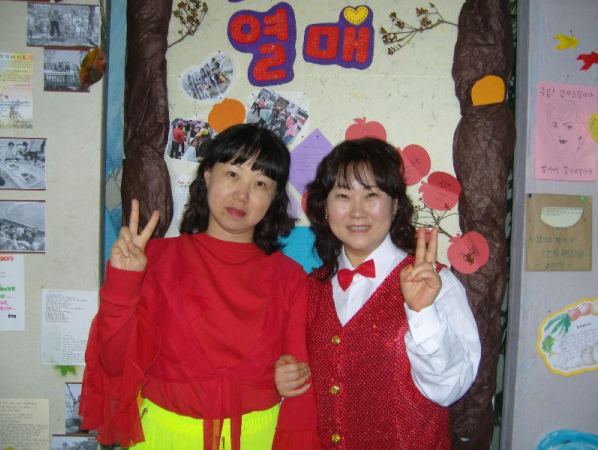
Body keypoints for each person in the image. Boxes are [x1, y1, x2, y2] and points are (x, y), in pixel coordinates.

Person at [80, 124, 319, 449]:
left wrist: (291, 374)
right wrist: (123, 282)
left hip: (260, 437)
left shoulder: (291, 278)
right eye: (232, 174)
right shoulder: (154, 260)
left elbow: (301, 379)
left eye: (260, 183)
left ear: (274, 197)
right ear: (207, 175)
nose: (242, 195)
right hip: (162, 436)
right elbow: (113, 363)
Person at [276, 137, 481, 449]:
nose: (357, 212)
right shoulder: (311, 287)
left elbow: (449, 389)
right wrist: (281, 378)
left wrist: (422, 313)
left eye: (371, 194)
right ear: (326, 208)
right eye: (343, 195)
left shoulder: (438, 283)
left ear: (395, 205)